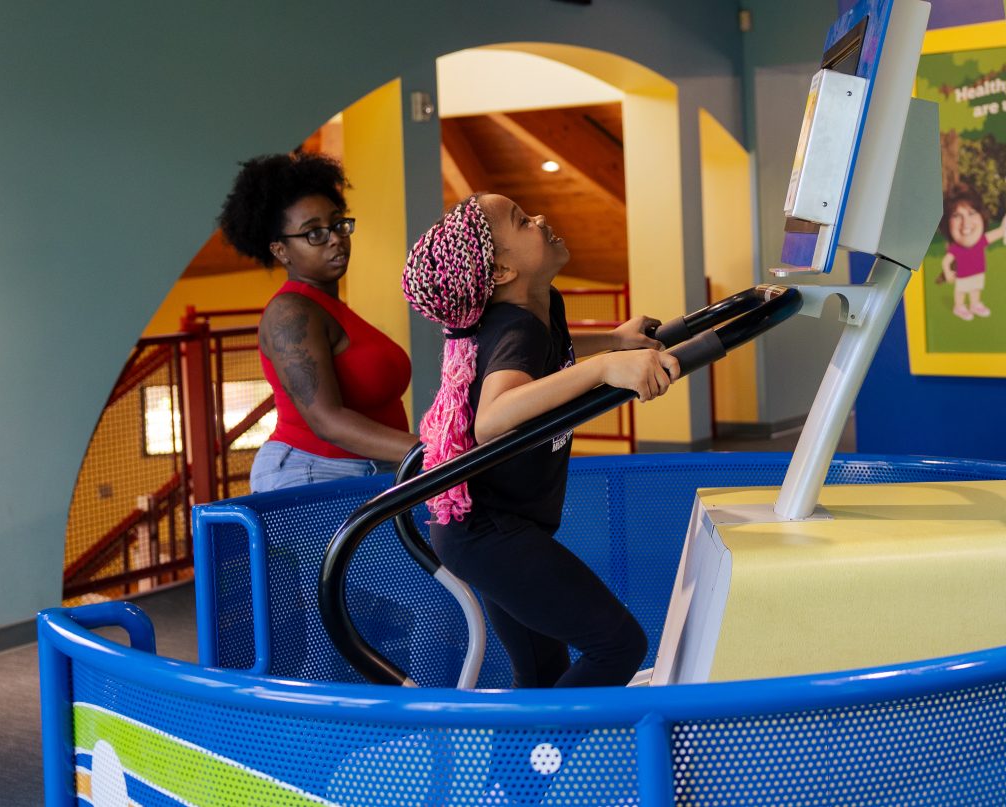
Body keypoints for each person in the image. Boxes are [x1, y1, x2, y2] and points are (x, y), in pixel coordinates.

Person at [402, 193, 680, 688]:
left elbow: (556, 357)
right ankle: (543, 753)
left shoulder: (542, 307)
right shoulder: (515, 328)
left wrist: (614, 344)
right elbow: (493, 419)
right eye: (522, 221)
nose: (541, 219)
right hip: (488, 533)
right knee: (617, 644)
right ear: (503, 270)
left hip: (494, 528)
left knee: (541, 672)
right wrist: (605, 368)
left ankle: (520, 768)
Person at [218, 152, 418, 492]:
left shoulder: (333, 308)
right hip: (313, 473)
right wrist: (430, 450)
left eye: (338, 224)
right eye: (313, 233)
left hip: (367, 472)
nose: (335, 238)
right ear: (281, 251)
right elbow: (326, 420)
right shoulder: (290, 312)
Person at [937, 183, 1006, 320]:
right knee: (961, 290)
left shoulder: (981, 241)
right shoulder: (956, 248)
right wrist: (947, 272)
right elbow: (946, 262)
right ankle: (959, 306)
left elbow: (1000, 231)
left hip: (978, 272)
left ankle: (975, 304)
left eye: (971, 213)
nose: (966, 222)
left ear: (982, 216)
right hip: (962, 275)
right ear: (947, 223)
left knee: (976, 288)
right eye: (957, 215)